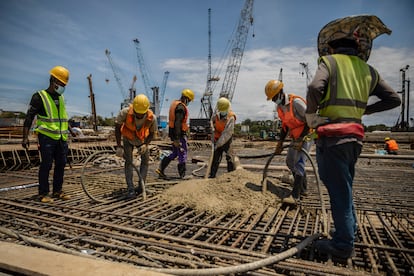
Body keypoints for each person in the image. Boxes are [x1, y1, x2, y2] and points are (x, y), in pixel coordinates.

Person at [306, 31, 401, 258]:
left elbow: (313, 88)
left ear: (331, 48)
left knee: (339, 192)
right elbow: (394, 99)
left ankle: (343, 245)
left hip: (333, 138)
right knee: (345, 188)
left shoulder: (329, 62)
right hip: (355, 138)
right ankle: (350, 231)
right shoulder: (368, 70)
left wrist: (311, 116)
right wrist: (364, 110)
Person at [22, 66, 75, 203]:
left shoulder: (61, 97)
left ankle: (57, 191)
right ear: (54, 81)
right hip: (46, 137)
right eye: (62, 83)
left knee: (61, 164)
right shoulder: (39, 96)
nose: (63, 86)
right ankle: (43, 193)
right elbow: (29, 117)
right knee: (46, 165)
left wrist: (70, 130)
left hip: (61, 138)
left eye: (64, 84)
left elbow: (62, 117)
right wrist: (25, 137)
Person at [265, 80, 311, 205]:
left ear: (280, 92)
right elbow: (285, 126)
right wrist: (280, 143)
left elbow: (310, 120)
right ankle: (303, 188)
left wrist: (302, 138)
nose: (274, 100)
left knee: (299, 163)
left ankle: (295, 196)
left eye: (274, 97)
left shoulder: (296, 102)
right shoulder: (280, 107)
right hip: (295, 136)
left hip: (306, 135)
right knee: (290, 162)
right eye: (272, 99)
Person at [115, 94, 157, 198]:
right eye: (137, 113)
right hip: (128, 139)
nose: (139, 115)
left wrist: (146, 145)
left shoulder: (152, 118)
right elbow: (117, 127)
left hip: (142, 140)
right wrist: (119, 146)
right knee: (129, 162)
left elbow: (152, 133)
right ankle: (130, 188)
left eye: (141, 114)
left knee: (145, 162)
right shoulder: (124, 113)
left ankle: (141, 186)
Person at [156, 89, 194, 179]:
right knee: (182, 153)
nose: (188, 103)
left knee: (174, 153)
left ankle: (161, 169)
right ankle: (182, 175)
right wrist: (177, 139)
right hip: (179, 135)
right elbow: (178, 123)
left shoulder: (175, 104)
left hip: (174, 134)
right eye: (189, 100)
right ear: (186, 98)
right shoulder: (181, 108)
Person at [208, 97, 236, 178]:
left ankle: (231, 176)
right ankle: (212, 175)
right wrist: (212, 127)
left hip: (226, 140)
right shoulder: (216, 114)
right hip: (217, 138)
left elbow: (227, 134)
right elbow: (212, 121)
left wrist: (218, 144)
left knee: (230, 157)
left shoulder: (231, 117)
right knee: (215, 158)